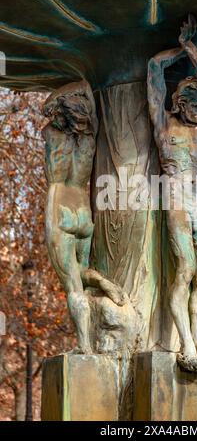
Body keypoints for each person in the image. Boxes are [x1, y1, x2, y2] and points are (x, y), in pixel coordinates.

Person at [147, 15, 197, 370]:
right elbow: (152, 69)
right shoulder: (165, 124)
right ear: (178, 103)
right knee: (185, 271)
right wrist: (176, 50)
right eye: (193, 101)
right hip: (178, 201)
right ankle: (188, 345)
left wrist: (193, 49)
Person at [43, 80, 126, 354]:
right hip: (83, 213)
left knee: (72, 285)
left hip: (60, 210)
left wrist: (56, 102)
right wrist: (83, 87)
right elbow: (89, 91)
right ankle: (102, 281)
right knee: (81, 272)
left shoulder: (52, 134)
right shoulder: (89, 138)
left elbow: (47, 107)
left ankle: (86, 348)